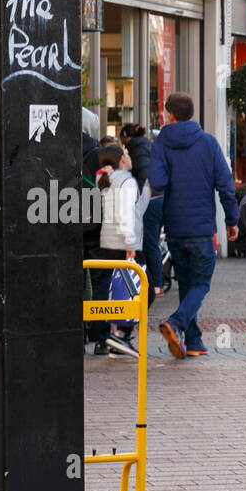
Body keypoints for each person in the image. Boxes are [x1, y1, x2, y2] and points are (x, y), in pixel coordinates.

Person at [147, 92, 239, 359]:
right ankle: (176, 323)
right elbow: (225, 184)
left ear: (169, 115)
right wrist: (232, 220)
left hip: (175, 227)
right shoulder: (209, 143)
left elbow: (158, 181)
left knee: (188, 283)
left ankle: (195, 340)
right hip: (201, 228)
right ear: (192, 114)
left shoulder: (161, 143)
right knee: (201, 283)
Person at [88, 144, 142, 358]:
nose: (130, 157)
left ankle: (105, 338)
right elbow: (126, 214)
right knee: (135, 291)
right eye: (127, 154)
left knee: (105, 291)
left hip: (106, 242)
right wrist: (130, 244)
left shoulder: (105, 179)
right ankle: (120, 334)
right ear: (121, 159)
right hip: (121, 244)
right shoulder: (126, 181)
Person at [120, 123, 161, 298]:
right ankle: (156, 284)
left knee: (149, 243)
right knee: (152, 242)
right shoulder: (145, 145)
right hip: (158, 198)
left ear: (127, 138)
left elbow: (144, 177)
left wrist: (138, 204)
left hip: (150, 200)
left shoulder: (138, 150)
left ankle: (155, 286)